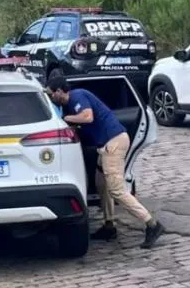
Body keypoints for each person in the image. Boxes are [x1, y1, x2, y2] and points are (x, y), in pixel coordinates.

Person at [46, 74, 165, 249]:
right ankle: (109, 225)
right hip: (106, 145)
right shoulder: (68, 105)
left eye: (50, 94)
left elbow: (87, 117)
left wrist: (65, 119)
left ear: (59, 91)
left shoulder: (77, 96)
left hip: (113, 144)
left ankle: (152, 224)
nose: (50, 97)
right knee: (101, 184)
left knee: (117, 191)